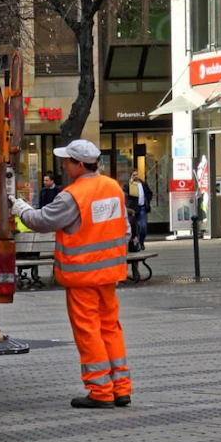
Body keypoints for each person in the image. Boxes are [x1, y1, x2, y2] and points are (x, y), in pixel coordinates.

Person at [12, 139, 132, 409]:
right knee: (110, 328)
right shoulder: (113, 187)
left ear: (80, 165)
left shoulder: (73, 195)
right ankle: (121, 388)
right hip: (109, 274)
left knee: (88, 331)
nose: (63, 166)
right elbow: (125, 230)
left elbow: (42, 221)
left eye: (67, 161)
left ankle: (100, 390)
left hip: (82, 277)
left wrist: (21, 209)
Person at [122, 170, 153, 249]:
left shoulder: (143, 184)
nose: (136, 176)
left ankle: (141, 241)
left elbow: (149, 193)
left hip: (142, 207)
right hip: (133, 209)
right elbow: (124, 192)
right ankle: (134, 243)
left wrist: (147, 201)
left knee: (143, 226)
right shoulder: (128, 184)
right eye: (134, 175)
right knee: (133, 227)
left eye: (137, 175)